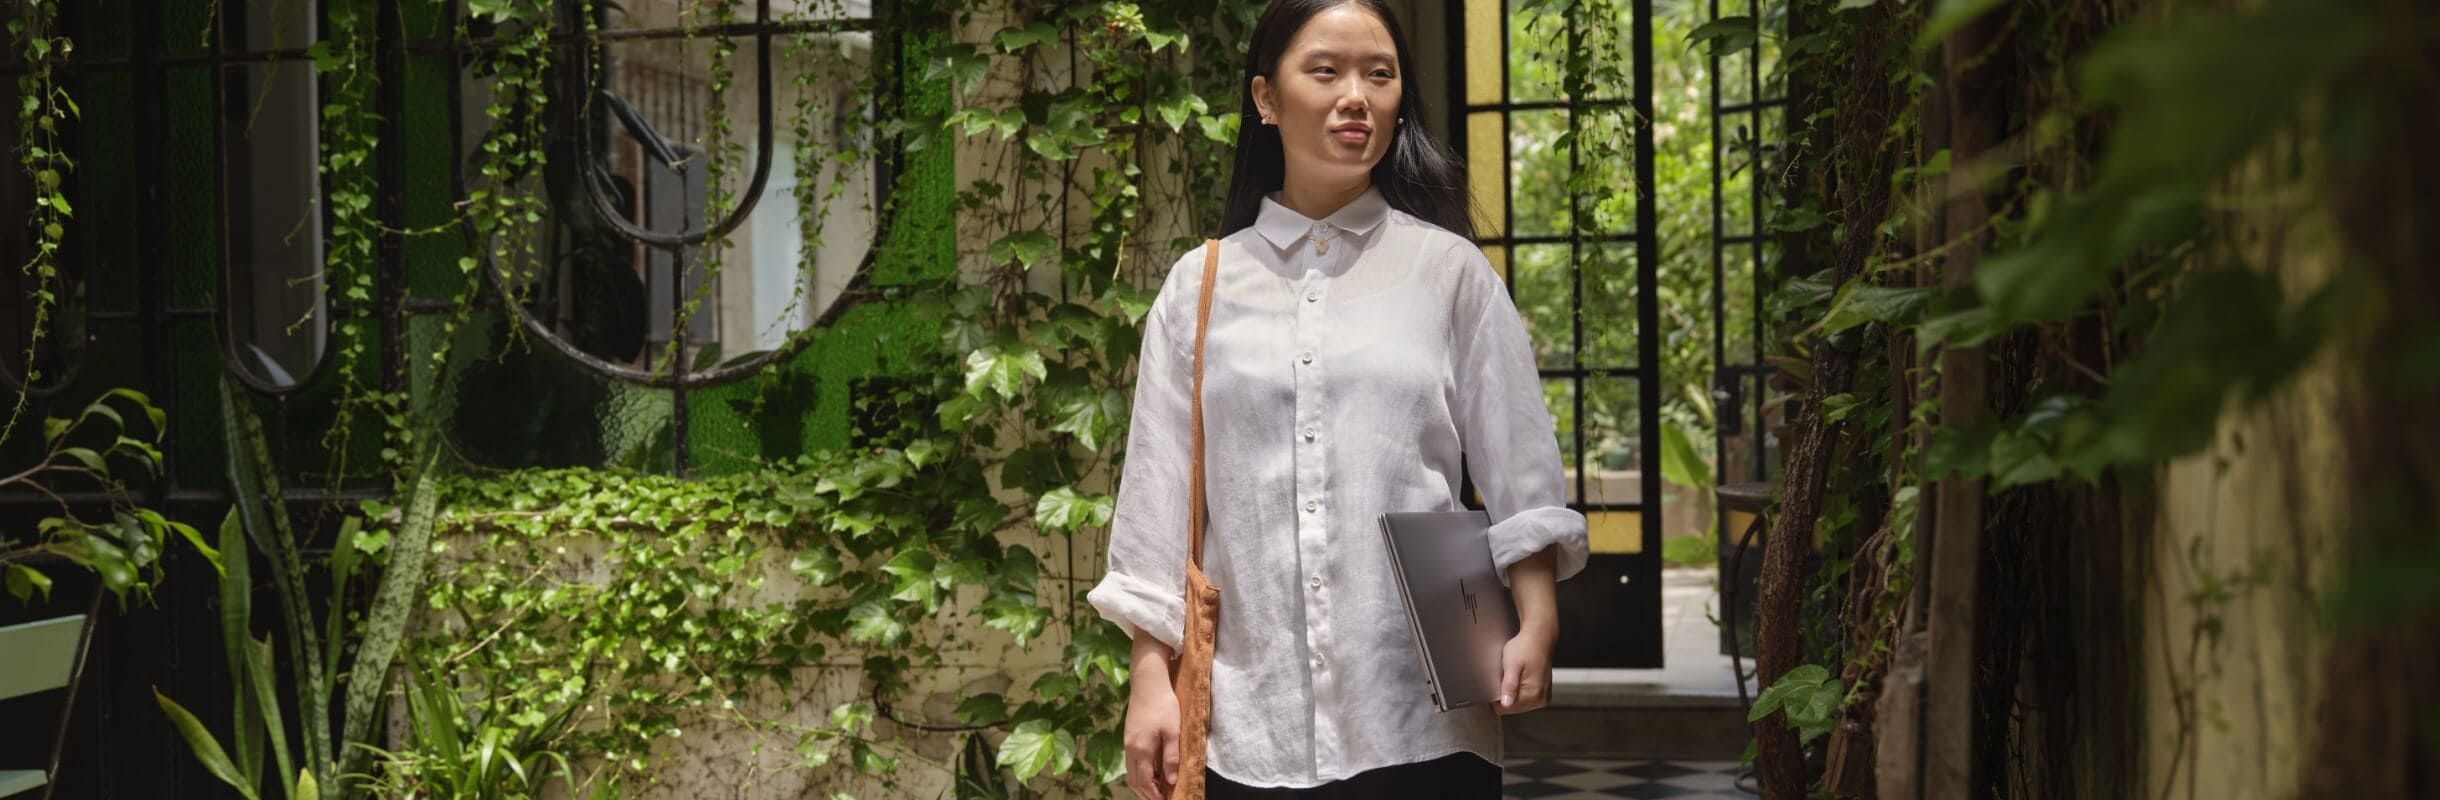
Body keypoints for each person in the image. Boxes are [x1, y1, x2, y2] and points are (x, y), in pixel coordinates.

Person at [1085, 0, 1590, 797]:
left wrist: (1538, 621)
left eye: (1379, 75)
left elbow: (1519, 464)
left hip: (1423, 715)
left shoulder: (1448, 274)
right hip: (1251, 726)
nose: (1356, 95)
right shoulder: (1199, 286)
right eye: (1325, 71)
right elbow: (1157, 498)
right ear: (1265, 98)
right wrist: (1152, 678)